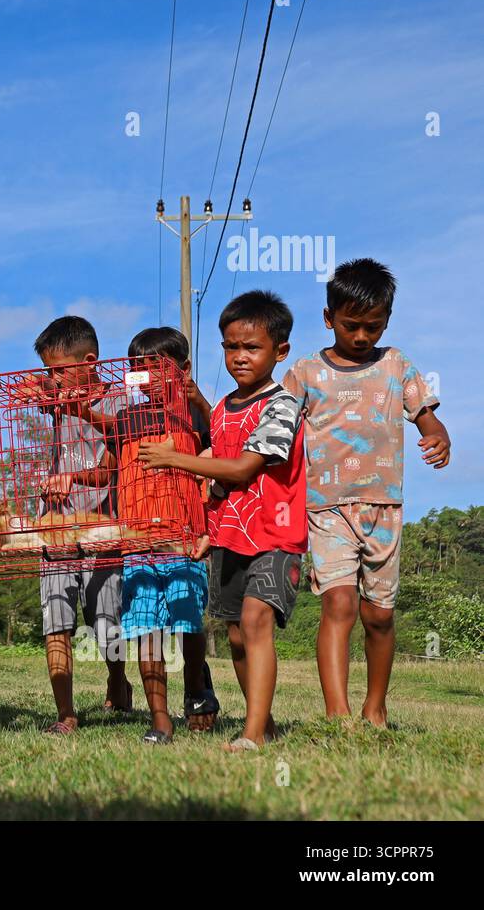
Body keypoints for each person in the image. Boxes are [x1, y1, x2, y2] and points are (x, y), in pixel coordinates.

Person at [281, 259, 450, 727]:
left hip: (385, 508)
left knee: (378, 616)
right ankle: (338, 715)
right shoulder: (305, 373)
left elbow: (425, 415)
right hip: (328, 508)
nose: (361, 337)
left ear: (386, 322)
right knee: (338, 603)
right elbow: (276, 431)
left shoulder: (396, 364)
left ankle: (375, 707)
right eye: (351, 325)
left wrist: (439, 435)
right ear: (328, 317)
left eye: (372, 327)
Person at [140, 291, 306, 752]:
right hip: (231, 538)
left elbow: (242, 470)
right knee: (235, 636)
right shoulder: (226, 409)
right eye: (231, 347)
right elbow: (219, 482)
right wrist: (207, 534)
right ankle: (265, 721)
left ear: (280, 351)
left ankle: (251, 735)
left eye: (251, 347)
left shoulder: (282, 406)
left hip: (276, 535)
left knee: (255, 623)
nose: (239, 357)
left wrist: (176, 461)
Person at [111, 326, 219, 742]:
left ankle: (196, 686)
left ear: (184, 369)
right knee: (145, 632)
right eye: (139, 369)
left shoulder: (195, 414)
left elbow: (222, 442)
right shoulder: (127, 418)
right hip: (137, 541)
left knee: (188, 626)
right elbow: (109, 458)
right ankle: (160, 718)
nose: (149, 377)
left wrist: (199, 401)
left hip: (185, 541)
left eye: (159, 368)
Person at [32, 316, 132, 735]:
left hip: (101, 525)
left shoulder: (119, 405)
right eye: (47, 371)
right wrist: (34, 390)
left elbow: (113, 469)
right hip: (56, 525)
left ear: (90, 361)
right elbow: (33, 395)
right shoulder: (55, 397)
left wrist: (72, 477)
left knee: (105, 620)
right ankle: (65, 714)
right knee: (57, 615)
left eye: (58, 370)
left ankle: (116, 678)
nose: (52, 380)